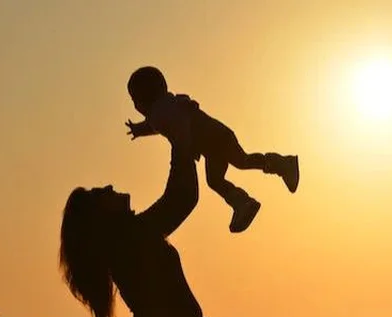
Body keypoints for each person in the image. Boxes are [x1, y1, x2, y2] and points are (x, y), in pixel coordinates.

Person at [58, 132, 223, 317]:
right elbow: (181, 198)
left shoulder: (131, 237)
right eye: (101, 194)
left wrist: (181, 145)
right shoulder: (133, 237)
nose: (110, 187)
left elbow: (180, 199)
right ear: (102, 217)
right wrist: (179, 139)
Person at [125, 66, 300, 234]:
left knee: (238, 164)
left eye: (134, 99)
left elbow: (176, 124)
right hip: (213, 143)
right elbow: (161, 123)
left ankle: (278, 169)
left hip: (216, 138)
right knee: (225, 173)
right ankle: (244, 200)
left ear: (143, 98)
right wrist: (140, 130)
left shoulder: (160, 112)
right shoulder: (166, 107)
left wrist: (182, 149)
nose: (135, 106)